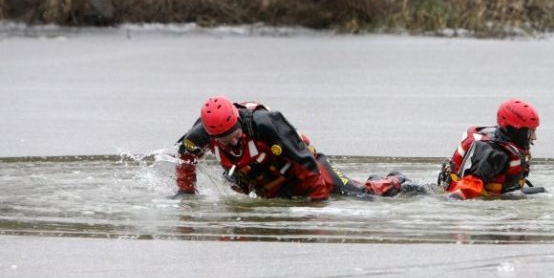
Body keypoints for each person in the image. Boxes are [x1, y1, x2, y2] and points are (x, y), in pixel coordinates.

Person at [174, 96, 417, 200]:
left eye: (235, 135)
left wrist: (317, 203)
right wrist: (186, 193)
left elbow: (306, 164)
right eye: (224, 140)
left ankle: (392, 182)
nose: (233, 142)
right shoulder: (198, 136)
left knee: (355, 196)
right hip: (264, 179)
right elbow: (185, 162)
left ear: (239, 120)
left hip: (302, 162)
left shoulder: (265, 124)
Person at [438, 98, 544, 200]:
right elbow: (465, 189)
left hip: (504, 193)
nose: (535, 137)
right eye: (531, 132)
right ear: (516, 131)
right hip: (474, 194)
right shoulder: (494, 154)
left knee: (543, 191)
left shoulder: (508, 144)